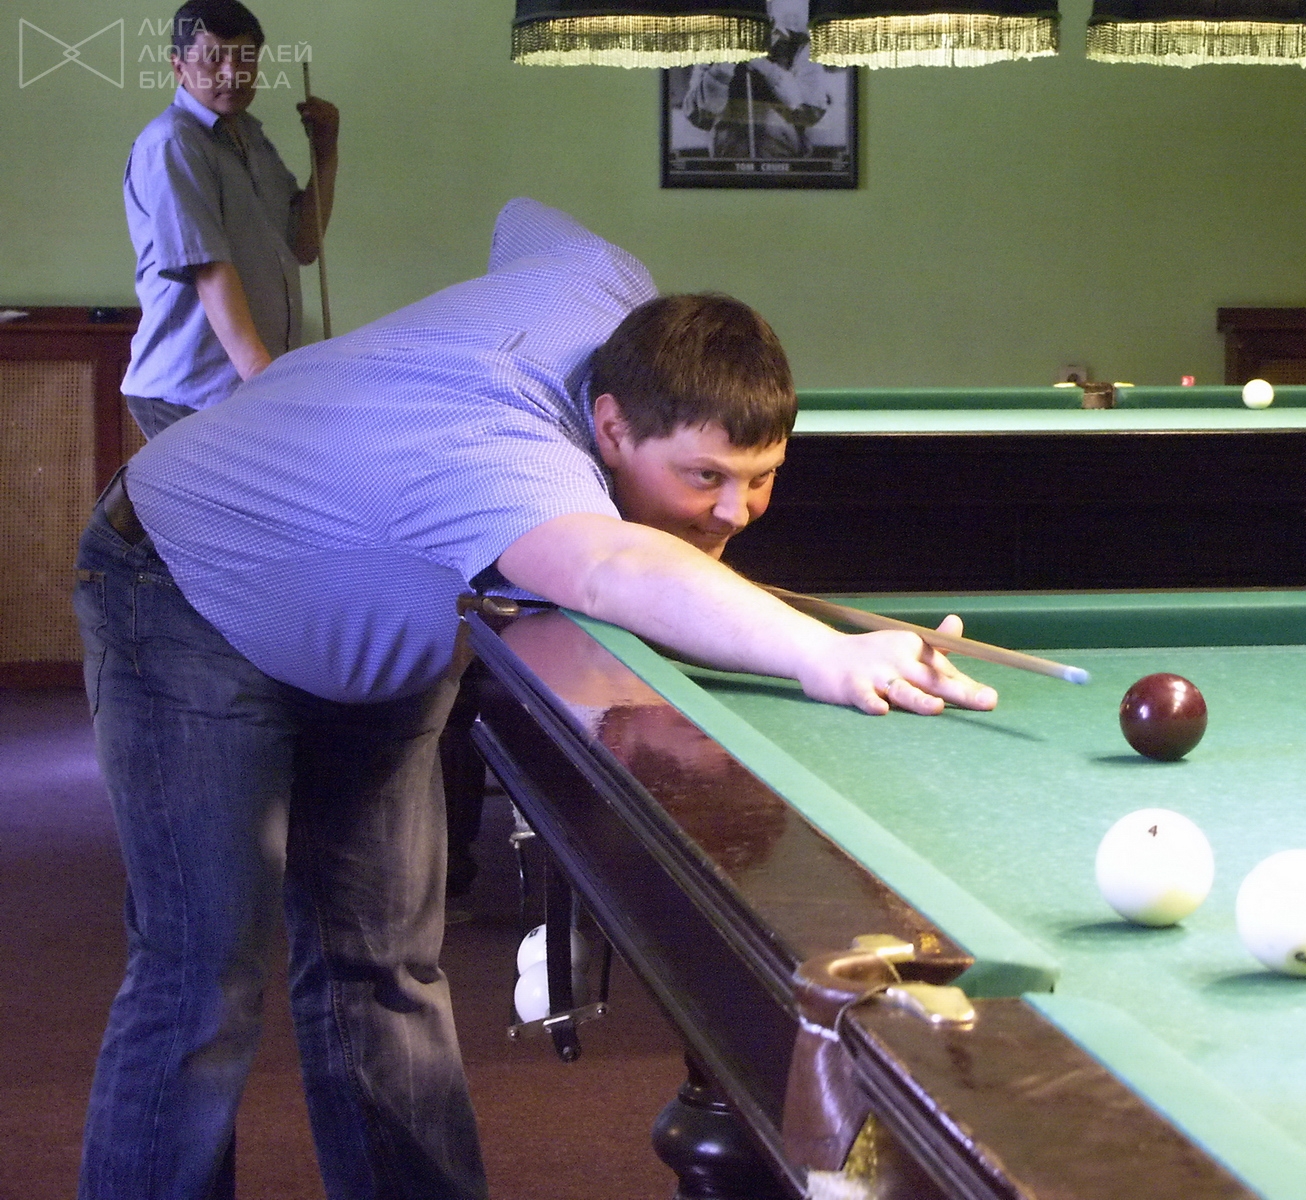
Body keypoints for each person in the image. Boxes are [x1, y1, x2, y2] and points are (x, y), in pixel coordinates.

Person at [74, 197, 995, 1200]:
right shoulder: (503, 457)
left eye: (760, 476)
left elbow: (521, 219)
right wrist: (823, 654)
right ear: (610, 425)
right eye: (704, 477)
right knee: (204, 975)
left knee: (384, 965)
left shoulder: (603, 286)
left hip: (379, 593)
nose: (735, 511)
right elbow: (606, 567)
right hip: (186, 579)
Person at [120, 0, 338, 439]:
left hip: (239, 387)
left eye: (244, 59)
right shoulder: (173, 142)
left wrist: (326, 153)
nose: (231, 73)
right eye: (213, 58)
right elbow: (209, 269)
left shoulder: (249, 135)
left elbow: (303, 245)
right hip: (189, 392)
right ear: (179, 67)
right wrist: (263, 379)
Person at [682, 0, 839, 160]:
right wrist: (723, 66)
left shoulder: (800, 46)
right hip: (727, 165)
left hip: (786, 164)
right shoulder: (711, 47)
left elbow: (812, 113)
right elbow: (697, 116)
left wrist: (763, 66)